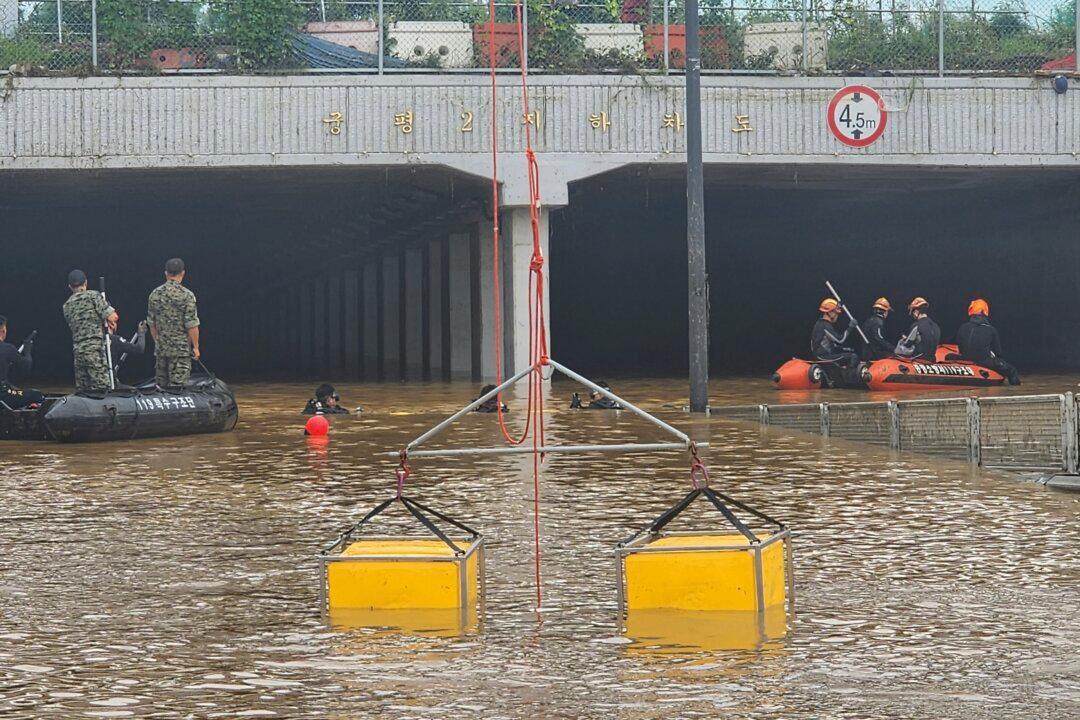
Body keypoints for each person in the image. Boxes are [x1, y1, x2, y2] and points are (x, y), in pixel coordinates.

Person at [147, 258, 200, 388]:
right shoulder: (187, 295)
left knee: (162, 388)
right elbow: (192, 325)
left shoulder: (155, 294)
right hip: (180, 351)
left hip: (161, 350)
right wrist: (196, 347)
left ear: (166, 273)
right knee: (178, 389)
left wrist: (158, 342)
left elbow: (151, 324)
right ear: (183, 273)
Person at [62, 269, 117, 394]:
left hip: (78, 349)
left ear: (70, 286)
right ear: (85, 282)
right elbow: (113, 316)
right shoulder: (93, 296)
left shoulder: (66, 305)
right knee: (102, 388)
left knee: (83, 390)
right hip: (94, 348)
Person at [957, 299, 1021, 385]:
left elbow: (960, 347)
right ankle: (1014, 388)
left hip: (965, 359)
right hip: (983, 361)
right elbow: (998, 352)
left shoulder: (962, 327)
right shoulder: (991, 330)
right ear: (985, 312)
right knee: (1012, 370)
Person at [0, 315, 43, 409]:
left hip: (4, 388)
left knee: (12, 388)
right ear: (3, 331)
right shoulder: (7, 348)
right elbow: (26, 366)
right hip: (2, 396)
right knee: (36, 395)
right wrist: (27, 350)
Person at [811, 298, 860, 368]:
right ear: (830, 312)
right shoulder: (825, 325)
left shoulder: (820, 324)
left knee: (847, 354)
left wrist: (844, 349)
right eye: (836, 313)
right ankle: (850, 377)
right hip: (823, 356)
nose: (837, 316)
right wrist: (850, 327)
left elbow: (829, 344)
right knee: (853, 357)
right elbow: (840, 340)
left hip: (822, 355)